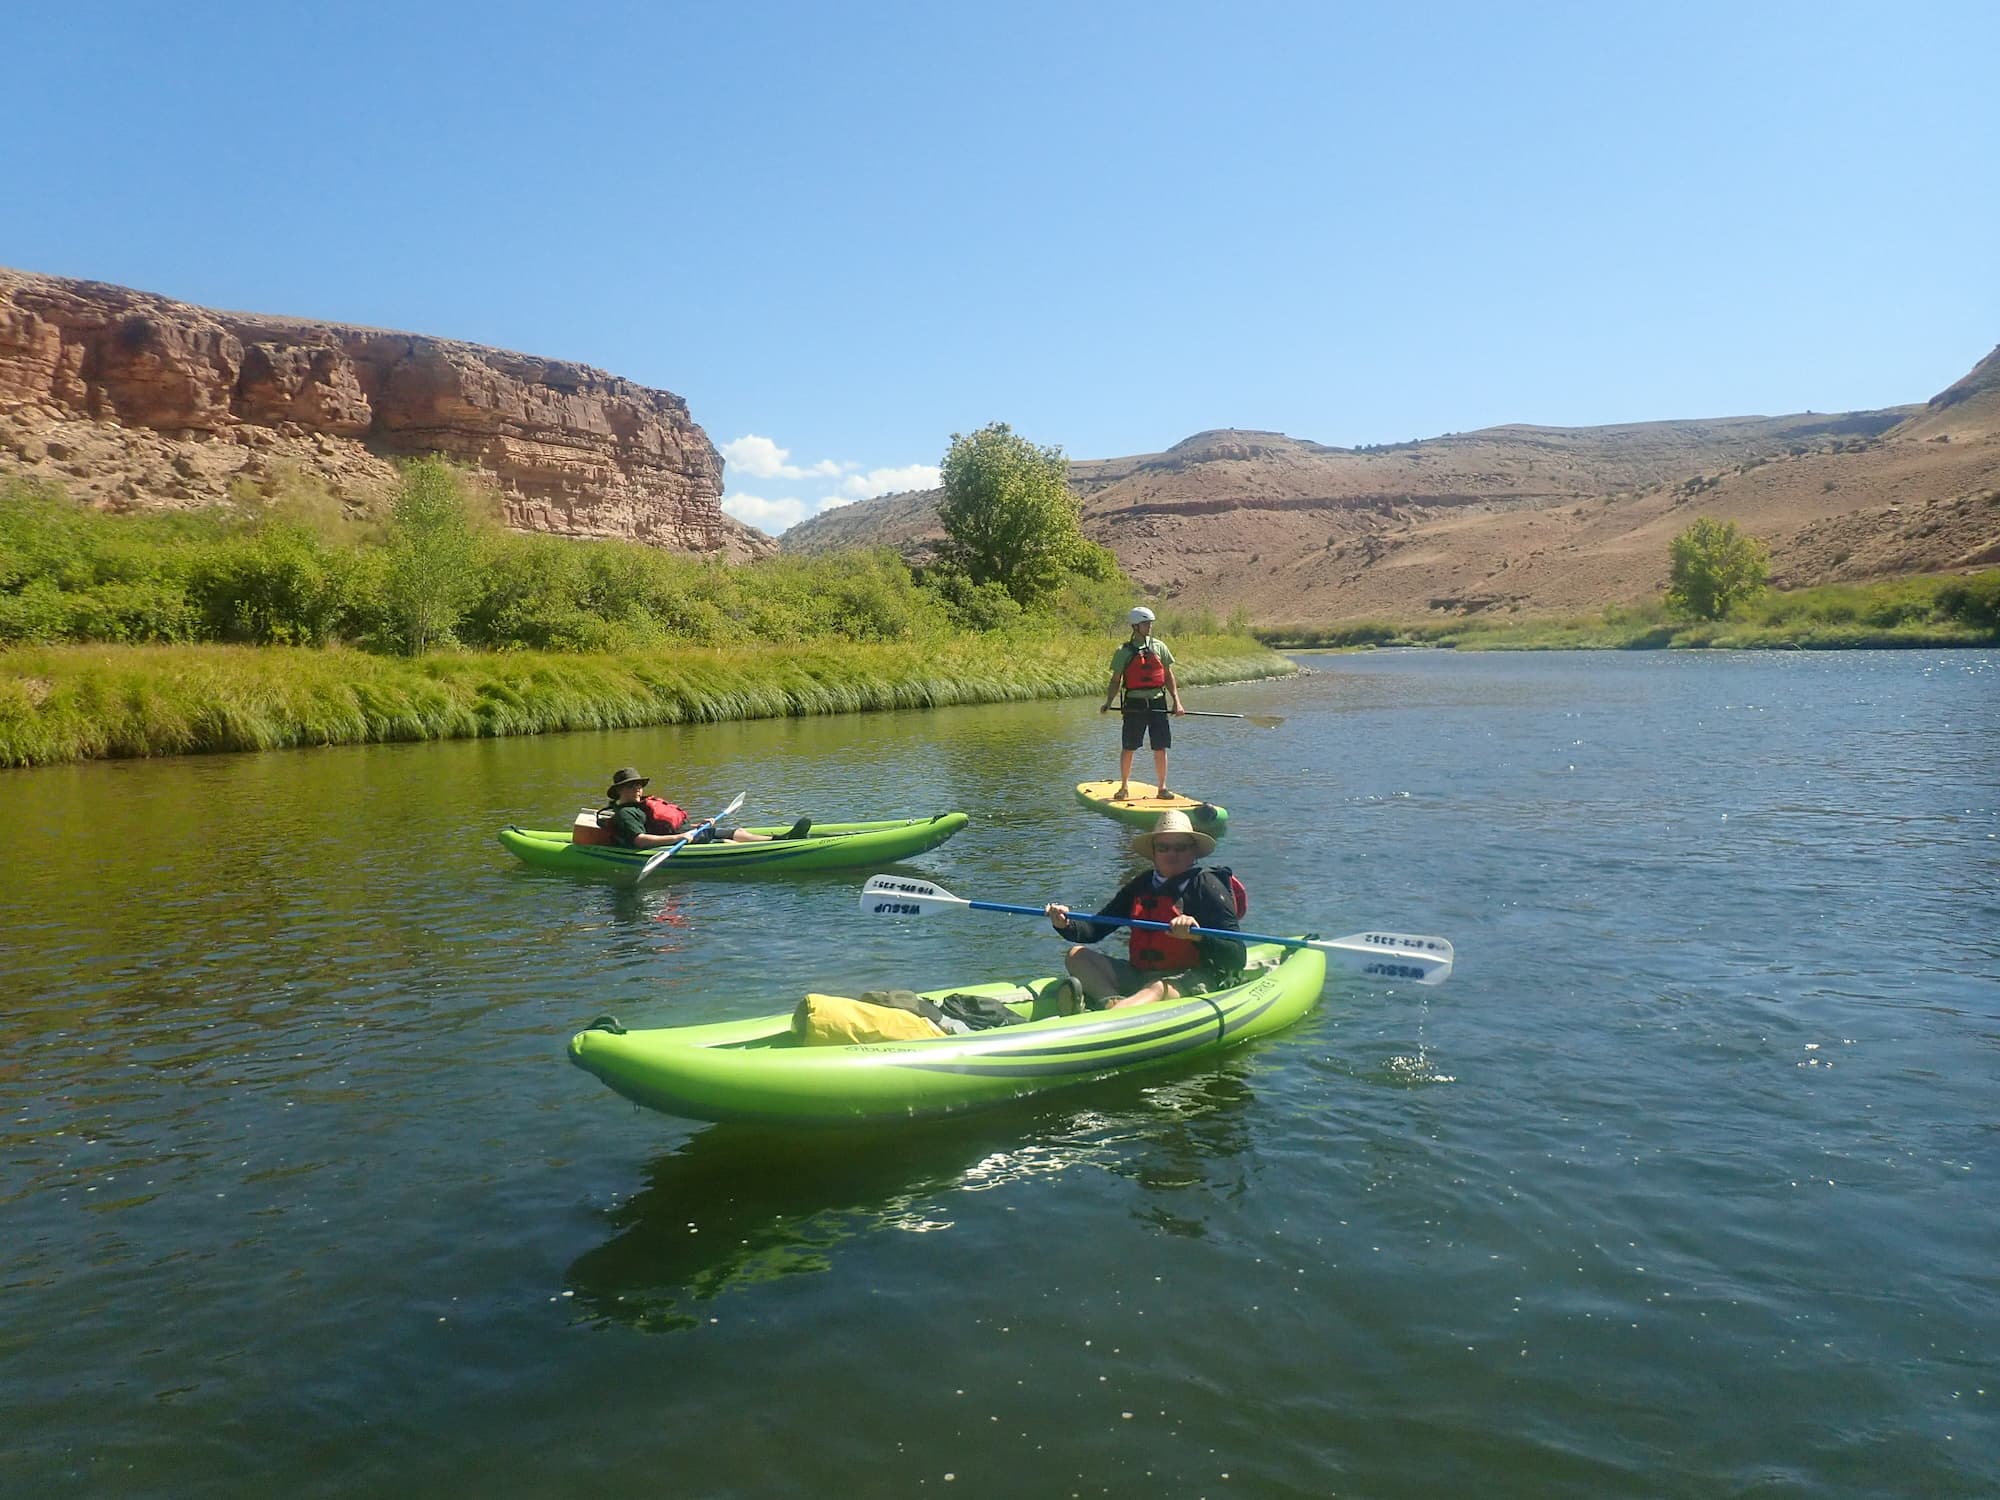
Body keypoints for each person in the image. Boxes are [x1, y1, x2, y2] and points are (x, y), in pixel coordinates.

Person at [1043, 809, 1245, 1011]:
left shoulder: (1207, 886)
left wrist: (1198, 936)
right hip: (1140, 973)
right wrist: (1065, 923)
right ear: (1154, 852)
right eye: (1163, 847)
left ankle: (1112, 1013)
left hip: (1191, 976)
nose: (1171, 853)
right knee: (1076, 955)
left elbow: (1237, 956)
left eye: (1180, 847)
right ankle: (1110, 1002)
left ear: (1193, 851)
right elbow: (1096, 928)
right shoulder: (1142, 884)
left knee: (1157, 988)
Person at [600, 768, 810, 849]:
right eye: (631, 786)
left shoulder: (641, 806)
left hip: (686, 835)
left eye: (639, 785)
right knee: (725, 841)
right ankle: (777, 847)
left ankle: (781, 840)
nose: (637, 789)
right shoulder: (626, 813)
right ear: (619, 791)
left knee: (737, 832)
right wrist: (680, 838)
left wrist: (694, 826)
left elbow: (658, 825)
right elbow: (640, 840)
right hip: (677, 844)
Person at [1100, 605, 1184, 801]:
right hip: (1134, 705)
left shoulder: (1160, 647)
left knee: (1160, 746)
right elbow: (1115, 680)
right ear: (1135, 626)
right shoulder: (1123, 651)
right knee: (1129, 746)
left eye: (1150, 623)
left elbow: (1168, 676)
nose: (1149, 627)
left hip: (1157, 702)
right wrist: (1108, 702)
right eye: (1146, 623)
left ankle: (1162, 788)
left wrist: (1176, 703)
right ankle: (1123, 788)